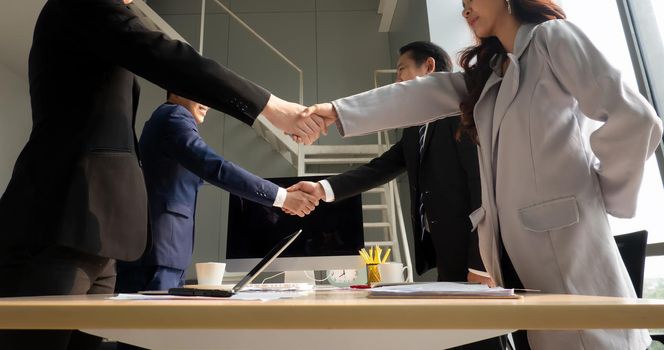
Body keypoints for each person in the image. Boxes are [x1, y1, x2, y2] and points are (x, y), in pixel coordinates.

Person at [300, 0, 663, 349]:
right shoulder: (490, 73)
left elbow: (635, 120)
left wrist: (605, 196)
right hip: (511, 258)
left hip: (566, 250)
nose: (465, 8)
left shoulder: (553, 38)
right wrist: (335, 110)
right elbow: (420, 95)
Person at [0, 0, 322, 349]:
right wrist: (271, 108)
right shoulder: (82, 7)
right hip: (59, 220)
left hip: (99, 237)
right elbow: (170, 59)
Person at [289, 41, 503, 350]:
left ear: (428, 67)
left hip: (476, 256)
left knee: (483, 339)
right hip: (445, 252)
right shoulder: (414, 129)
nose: (397, 80)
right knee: (458, 337)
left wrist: (480, 264)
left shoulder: (462, 114)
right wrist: (322, 189)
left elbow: (482, 187)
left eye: (401, 69)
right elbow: (382, 167)